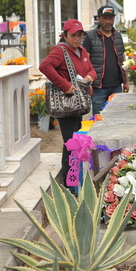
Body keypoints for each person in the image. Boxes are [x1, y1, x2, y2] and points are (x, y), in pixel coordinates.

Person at [39, 19, 97, 188]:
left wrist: (90, 77)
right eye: (73, 35)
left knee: (76, 141)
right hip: (67, 104)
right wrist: (65, 86)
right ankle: (69, 183)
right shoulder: (60, 51)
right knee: (71, 143)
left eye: (80, 35)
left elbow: (91, 69)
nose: (77, 38)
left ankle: (74, 178)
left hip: (79, 103)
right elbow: (45, 66)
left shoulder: (82, 51)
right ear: (65, 35)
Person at [82, 6, 128, 115]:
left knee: (117, 117)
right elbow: (85, 61)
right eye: (105, 18)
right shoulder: (90, 36)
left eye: (111, 18)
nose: (108, 21)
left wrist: (126, 81)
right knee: (99, 119)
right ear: (99, 19)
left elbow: (123, 59)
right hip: (99, 88)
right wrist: (88, 83)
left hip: (116, 86)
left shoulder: (117, 35)